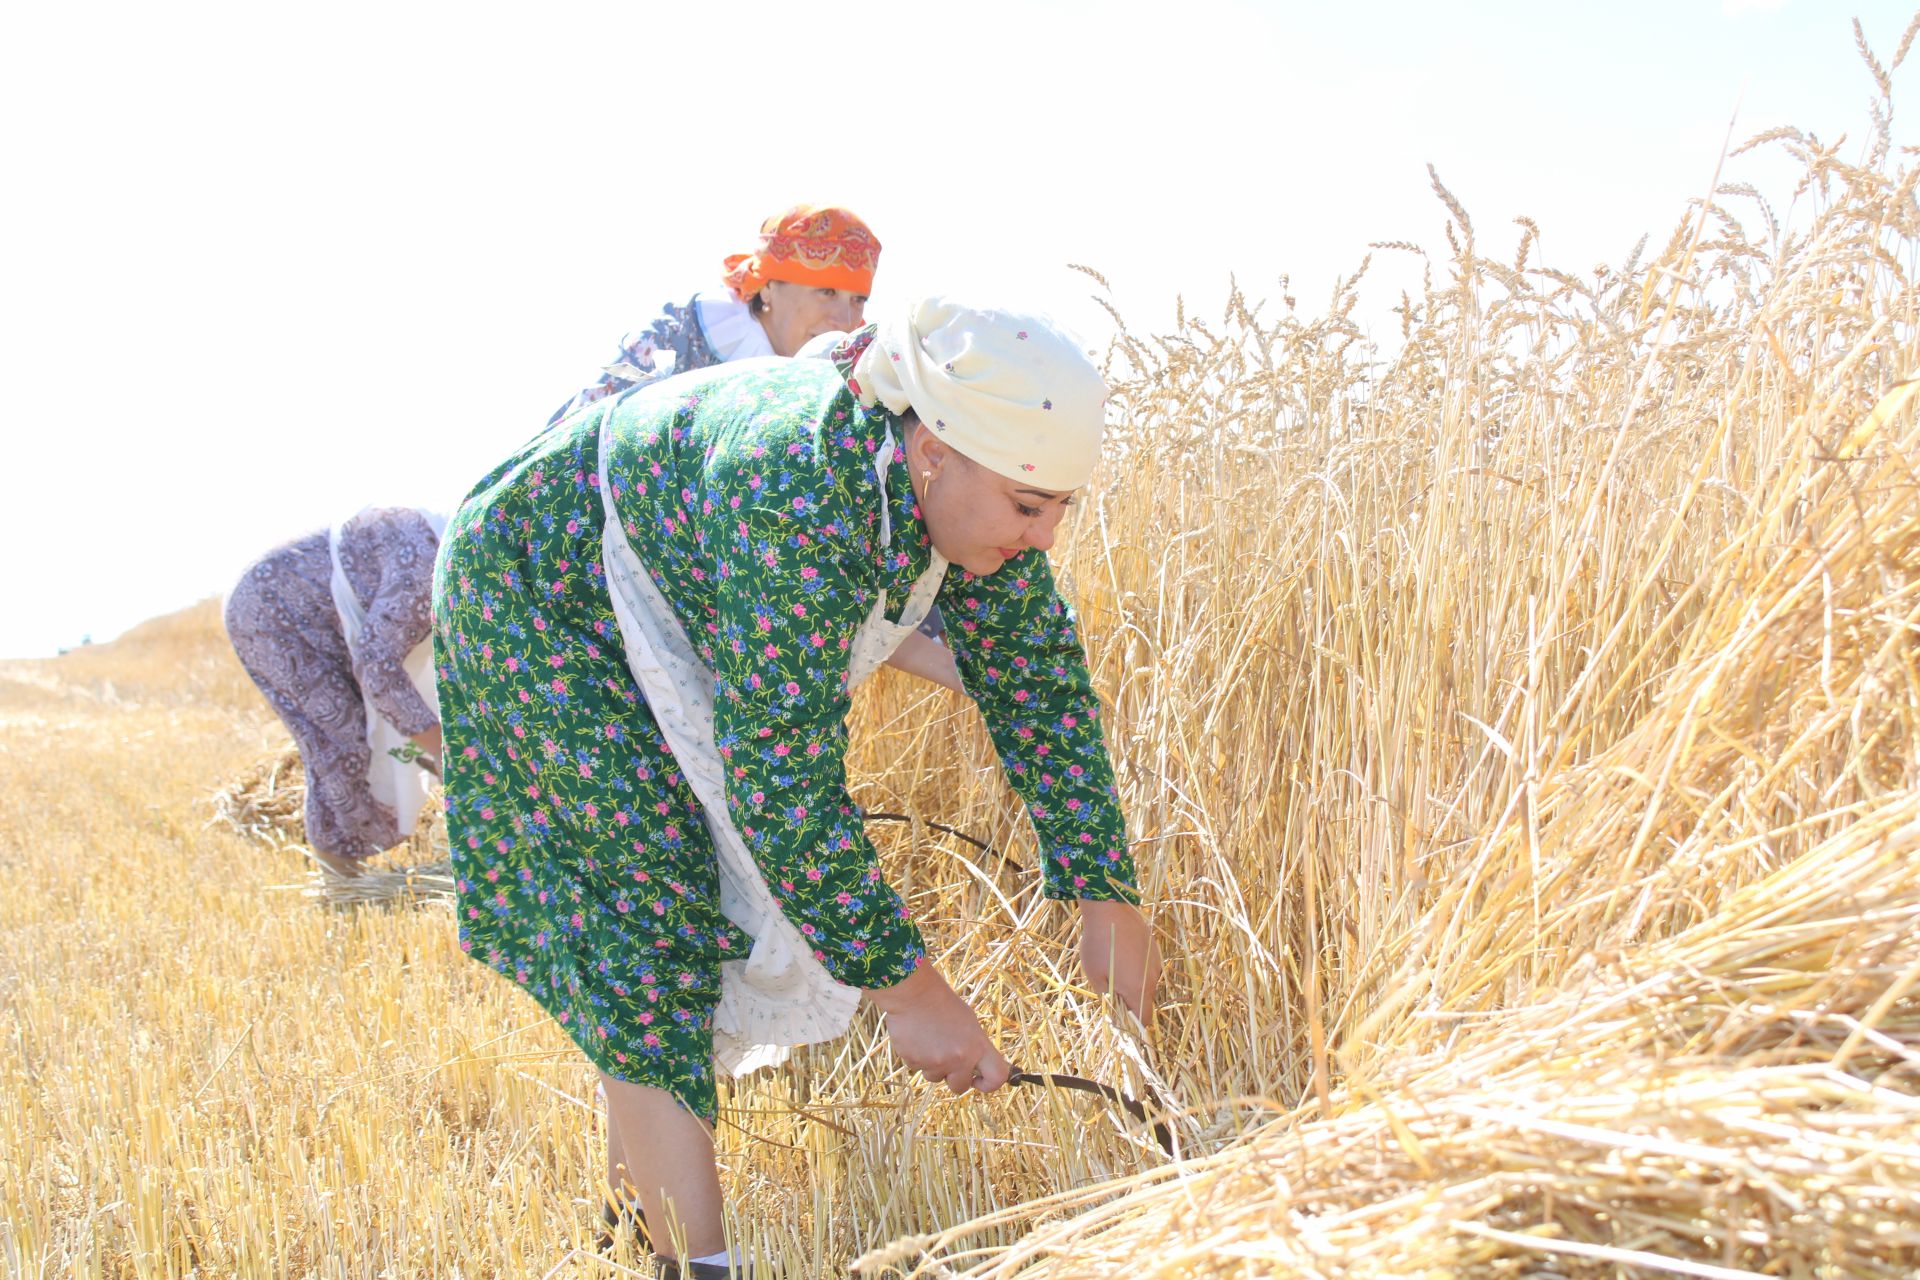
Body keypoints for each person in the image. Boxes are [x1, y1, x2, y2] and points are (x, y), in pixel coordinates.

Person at [433, 297, 1160, 1277]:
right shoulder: (797, 486)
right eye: (1032, 508)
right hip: (537, 581)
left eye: (1062, 507)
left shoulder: (970, 492)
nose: (1047, 538)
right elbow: (781, 789)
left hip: (655, 580)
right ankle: (691, 1262)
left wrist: (1104, 891)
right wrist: (910, 988)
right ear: (933, 451)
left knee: (666, 929)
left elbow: (1039, 686)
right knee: (648, 929)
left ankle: (628, 1235)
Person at [224, 506, 445, 876]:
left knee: (369, 736)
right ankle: (340, 886)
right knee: (339, 741)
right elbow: (377, 664)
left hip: (332, 611)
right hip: (273, 608)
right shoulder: (425, 573)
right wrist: (443, 751)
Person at [546, 204, 882, 429]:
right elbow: (575, 437)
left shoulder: (861, 383)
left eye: (858, 300)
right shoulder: (674, 341)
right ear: (767, 287)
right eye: (826, 292)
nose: (844, 319)